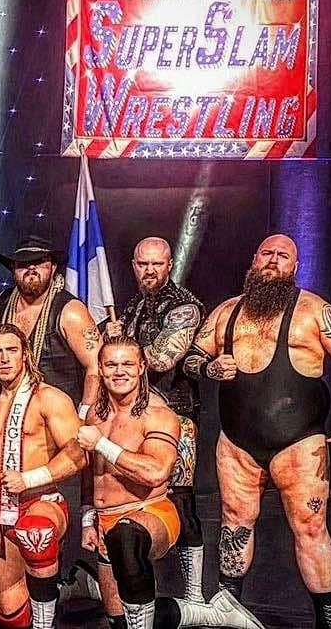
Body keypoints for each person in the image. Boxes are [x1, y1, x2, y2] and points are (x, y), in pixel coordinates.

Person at [182, 234, 331, 629]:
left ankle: (328, 622)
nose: (273, 260)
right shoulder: (226, 312)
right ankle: (229, 612)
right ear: (254, 259)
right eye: (266, 253)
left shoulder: (314, 311)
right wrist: (210, 368)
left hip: (299, 444)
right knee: (234, 521)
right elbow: (192, 358)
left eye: (282, 255)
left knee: (310, 528)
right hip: (237, 444)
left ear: (295, 267)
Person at [77, 336, 264, 629]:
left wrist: (102, 444)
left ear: (141, 367)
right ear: (100, 369)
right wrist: (88, 518)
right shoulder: (94, 415)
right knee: (120, 622)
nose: (119, 371)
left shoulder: (158, 415)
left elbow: (156, 472)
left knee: (126, 537)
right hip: (106, 519)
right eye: (111, 365)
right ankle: (210, 614)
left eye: (127, 364)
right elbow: (90, 471)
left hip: (150, 511)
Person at [0, 323, 87, 629]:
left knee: (36, 533)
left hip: (40, 503)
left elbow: (78, 455)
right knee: (10, 612)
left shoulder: (49, 398)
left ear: (25, 354)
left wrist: (29, 479)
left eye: (11, 350)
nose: (4, 358)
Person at [105, 236, 206, 601]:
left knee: (181, 499)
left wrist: (119, 352)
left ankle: (194, 593)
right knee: (125, 491)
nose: (149, 270)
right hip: (134, 414)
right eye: (143, 264)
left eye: (157, 264)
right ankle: (127, 585)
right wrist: (108, 336)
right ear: (134, 266)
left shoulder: (184, 307)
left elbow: (163, 358)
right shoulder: (133, 306)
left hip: (175, 416)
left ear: (169, 265)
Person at [0, 235, 101, 419]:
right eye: (23, 263)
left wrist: (83, 415)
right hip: (8, 413)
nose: (31, 269)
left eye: (40, 262)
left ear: (53, 267)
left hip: (57, 418)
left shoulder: (70, 311)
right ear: (13, 269)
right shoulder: (1, 302)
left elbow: (96, 367)